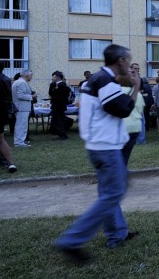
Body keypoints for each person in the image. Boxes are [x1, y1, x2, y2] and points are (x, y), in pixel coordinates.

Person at [53, 44, 141, 264]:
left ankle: (116, 235)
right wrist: (136, 87)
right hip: (106, 148)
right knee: (113, 193)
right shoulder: (105, 81)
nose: (130, 65)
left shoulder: (100, 80)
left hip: (99, 146)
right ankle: (71, 240)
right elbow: (123, 109)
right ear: (120, 60)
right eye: (128, 60)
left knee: (111, 192)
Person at [119, 68, 145, 168]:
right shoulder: (138, 94)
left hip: (121, 127)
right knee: (126, 155)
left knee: (117, 155)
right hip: (135, 128)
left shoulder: (116, 92)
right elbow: (140, 110)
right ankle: (122, 174)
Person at [11, 69, 36, 147]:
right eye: (31, 75)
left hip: (21, 107)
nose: (31, 77)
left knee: (21, 125)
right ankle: (19, 142)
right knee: (21, 125)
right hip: (22, 107)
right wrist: (32, 96)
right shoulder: (22, 83)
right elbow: (20, 96)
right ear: (26, 75)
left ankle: (20, 141)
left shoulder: (17, 82)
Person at [131, 63, 153, 145]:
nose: (137, 70)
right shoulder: (128, 78)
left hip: (138, 102)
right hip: (132, 102)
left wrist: (140, 92)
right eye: (135, 68)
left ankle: (140, 140)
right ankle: (139, 140)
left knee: (141, 121)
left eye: (138, 68)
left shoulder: (139, 78)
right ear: (131, 69)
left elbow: (142, 89)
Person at [49, 71, 71, 140]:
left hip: (59, 106)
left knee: (58, 120)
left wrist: (53, 98)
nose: (52, 78)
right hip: (57, 105)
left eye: (53, 77)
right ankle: (60, 134)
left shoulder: (62, 85)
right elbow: (51, 93)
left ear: (58, 77)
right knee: (57, 120)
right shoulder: (56, 85)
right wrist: (51, 84)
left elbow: (61, 96)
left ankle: (63, 135)